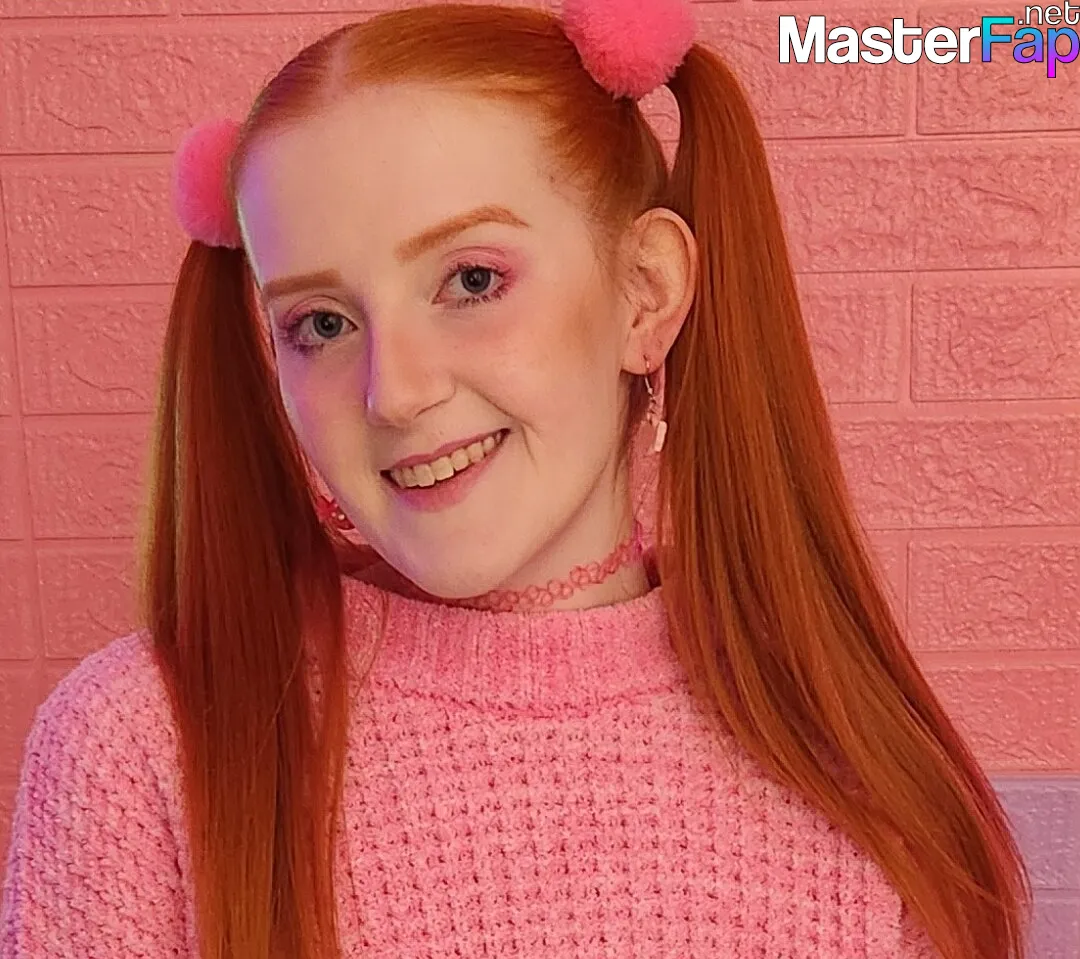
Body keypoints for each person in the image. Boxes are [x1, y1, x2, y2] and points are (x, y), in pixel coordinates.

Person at [0, 0, 1032, 956]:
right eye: (322, 323)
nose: (395, 392)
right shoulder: (139, 748)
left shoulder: (865, 783)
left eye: (472, 279)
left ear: (644, 293)